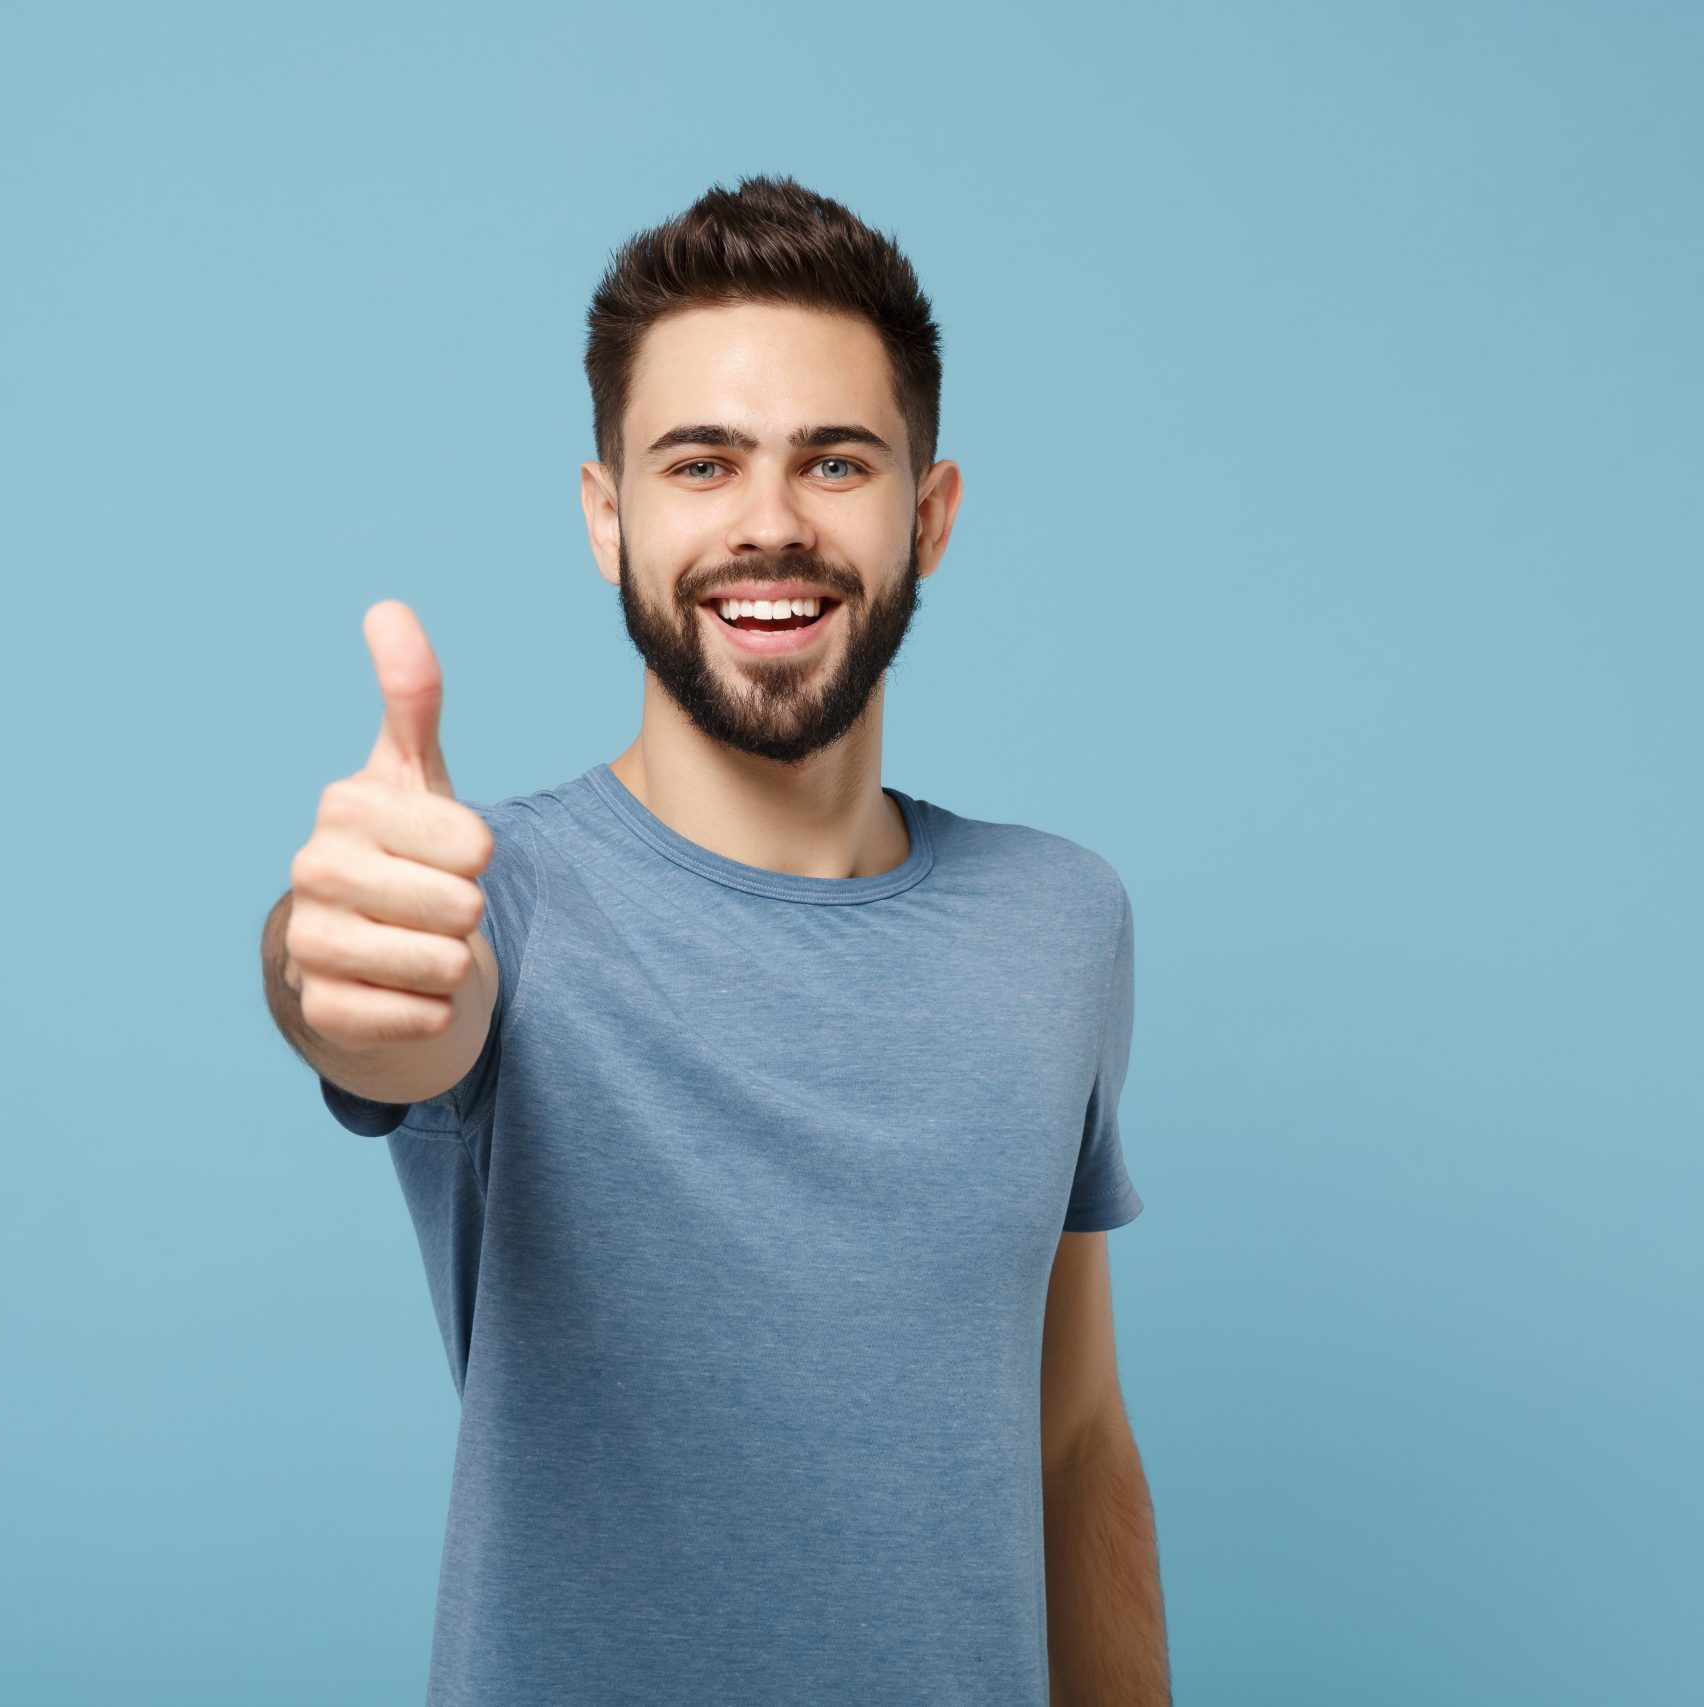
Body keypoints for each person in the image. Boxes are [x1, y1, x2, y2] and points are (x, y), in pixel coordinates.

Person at [260, 174, 1169, 1706]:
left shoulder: (1060, 922)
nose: (769, 524)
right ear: (608, 516)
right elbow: (385, 1002)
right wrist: (331, 956)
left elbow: (1071, 1433)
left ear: (926, 517)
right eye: (701, 463)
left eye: (834, 462)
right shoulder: (501, 900)